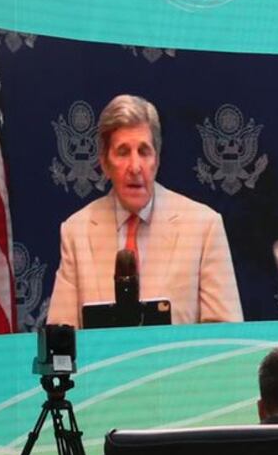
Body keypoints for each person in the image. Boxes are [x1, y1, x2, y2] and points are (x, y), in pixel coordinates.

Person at [47, 94, 243, 327]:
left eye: (144, 151)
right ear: (105, 163)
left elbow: (225, 334)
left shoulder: (203, 225)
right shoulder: (76, 231)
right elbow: (60, 337)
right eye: (122, 152)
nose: (135, 167)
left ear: (157, 160)